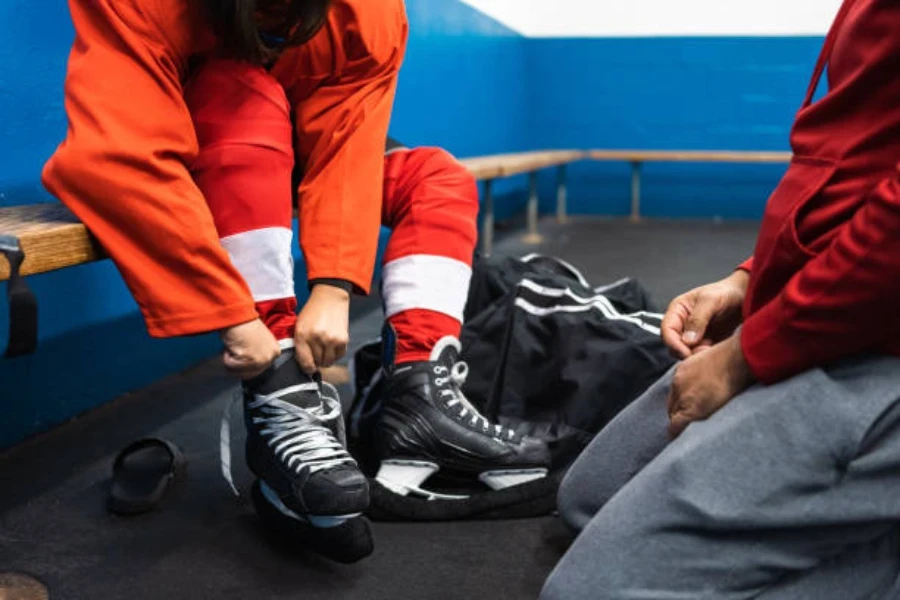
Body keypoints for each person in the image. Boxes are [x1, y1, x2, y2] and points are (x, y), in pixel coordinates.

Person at [44, 0, 548, 536]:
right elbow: (123, 151)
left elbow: (347, 138)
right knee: (242, 90)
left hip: (290, 142)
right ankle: (279, 390)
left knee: (438, 179)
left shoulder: (367, 12)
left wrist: (333, 287)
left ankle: (419, 403)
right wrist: (238, 321)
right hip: (194, 148)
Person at [542, 1, 900, 598]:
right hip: (830, 312)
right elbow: (861, 170)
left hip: (878, 339)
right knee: (590, 498)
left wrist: (743, 357)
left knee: (589, 591)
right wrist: (751, 280)